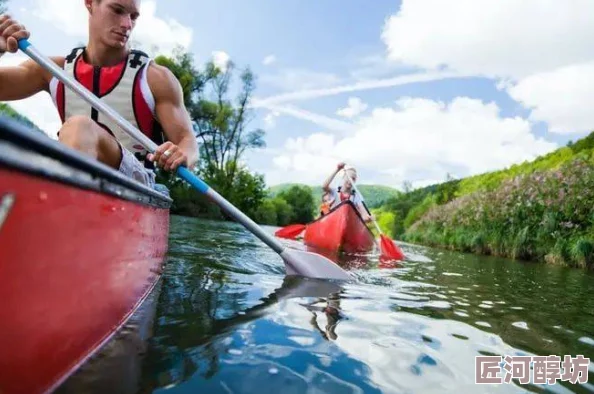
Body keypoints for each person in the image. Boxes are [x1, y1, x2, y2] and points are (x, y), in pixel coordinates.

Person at [0, 0, 199, 193]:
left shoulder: (156, 78)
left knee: (80, 127)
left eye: (133, 16)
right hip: (72, 169)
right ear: (90, 3)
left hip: (136, 182)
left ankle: (57, 208)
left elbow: (187, 142)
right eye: (117, 10)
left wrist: (183, 154)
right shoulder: (53, 70)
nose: (127, 24)